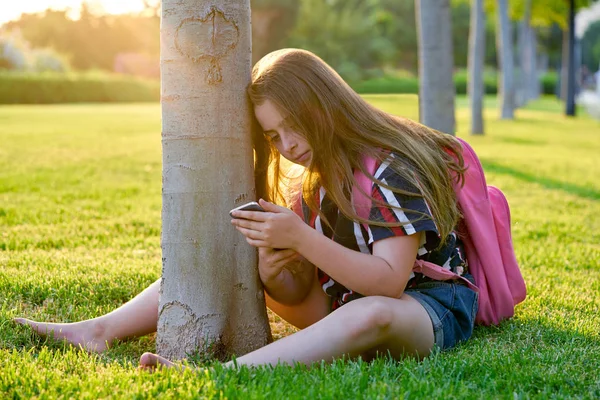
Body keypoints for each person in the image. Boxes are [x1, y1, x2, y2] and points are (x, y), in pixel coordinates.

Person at [14, 48, 478, 370]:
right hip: (345, 307)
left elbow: (388, 283)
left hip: (422, 310)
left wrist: (302, 239)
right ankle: (101, 330)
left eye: (295, 126)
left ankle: (223, 375)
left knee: (370, 314)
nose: (289, 145)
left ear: (326, 105)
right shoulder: (315, 182)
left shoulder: (388, 169)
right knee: (236, 257)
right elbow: (297, 293)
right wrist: (278, 269)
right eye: (275, 137)